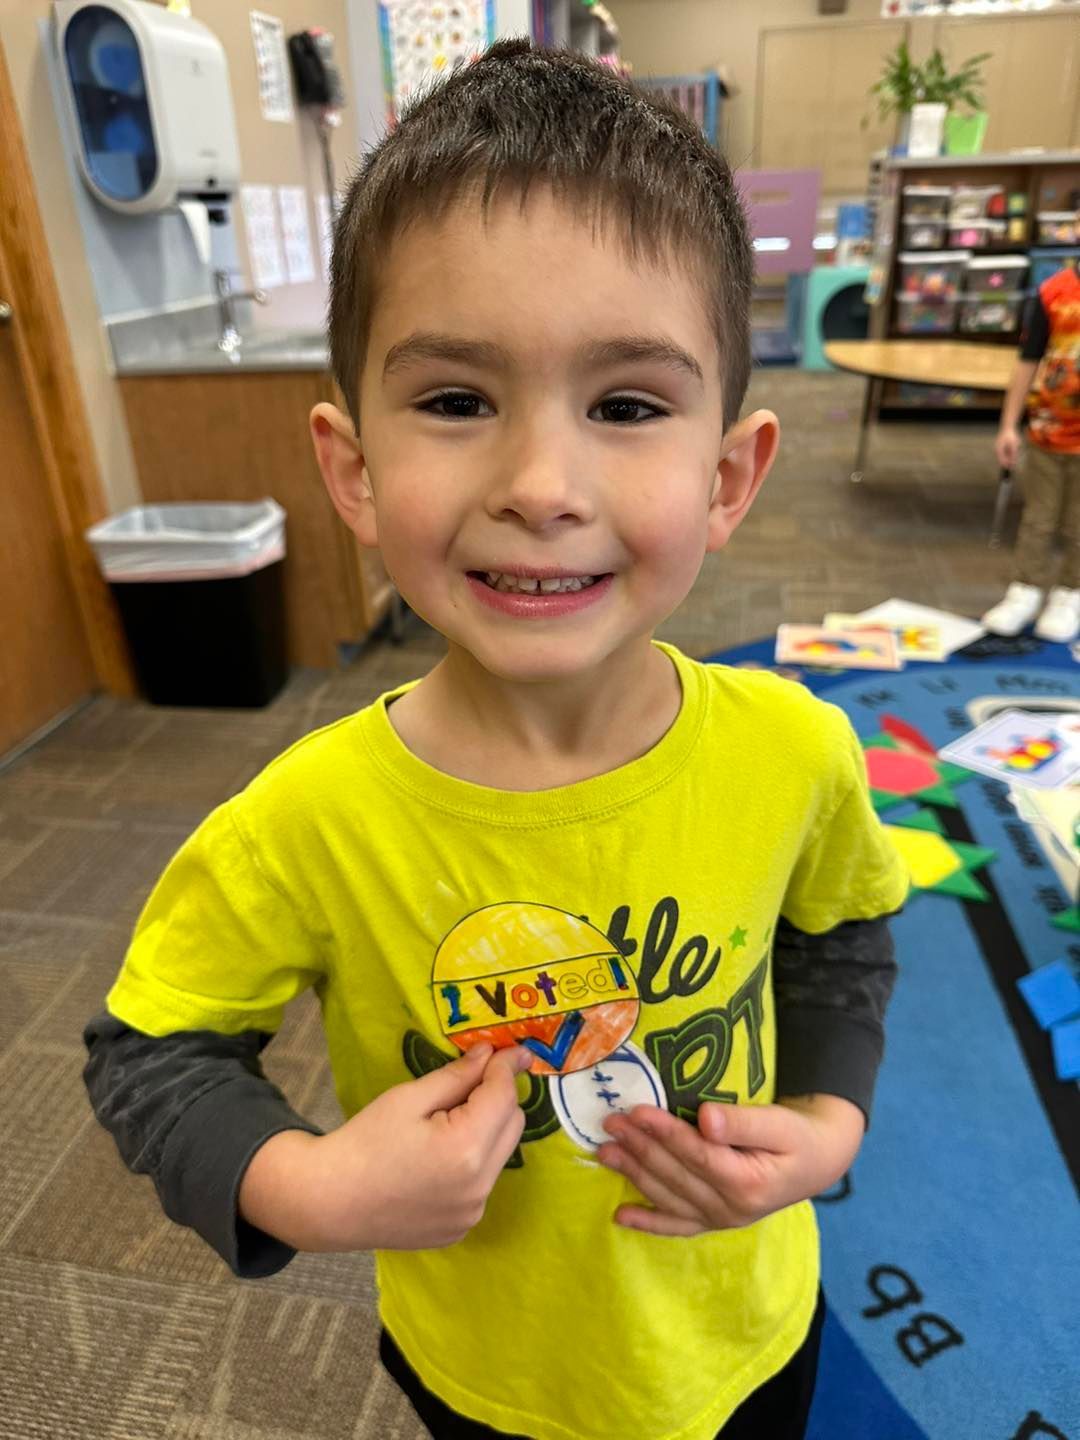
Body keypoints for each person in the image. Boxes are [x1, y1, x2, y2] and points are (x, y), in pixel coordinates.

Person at [82, 40, 908, 1440]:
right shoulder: (311, 817)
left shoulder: (793, 747)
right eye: (457, 402)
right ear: (353, 470)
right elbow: (149, 1051)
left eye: (627, 406)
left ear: (727, 477)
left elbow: (841, 935)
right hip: (488, 1377)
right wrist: (306, 1185)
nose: (540, 486)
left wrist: (829, 1129)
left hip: (753, 1327)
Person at [981, 260, 1080, 642]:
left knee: (1077, 525)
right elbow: (1027, 361)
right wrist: (1009, 425)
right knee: (1038, 519)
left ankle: (1070, 594)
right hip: (1047, 433)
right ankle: (1024, 591)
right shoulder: (1053, 292)